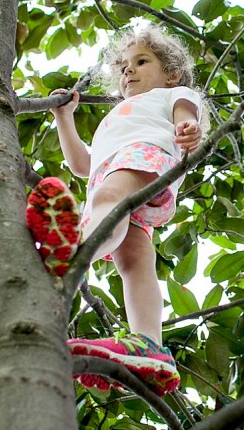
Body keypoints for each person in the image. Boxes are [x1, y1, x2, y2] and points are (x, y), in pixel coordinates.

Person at [25, 22, 203, 397]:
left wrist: (189, 130)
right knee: (134, 260)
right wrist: (64, 118)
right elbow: (82, 165)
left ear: (170, 74)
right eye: (123, 67)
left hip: (143, 161)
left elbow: (186, 117)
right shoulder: (115, 118)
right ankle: (149, 347)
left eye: (141, 61)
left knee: (108, 200)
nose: (128, 71)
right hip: (118, 173)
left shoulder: (172, 95)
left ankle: (72, 251)